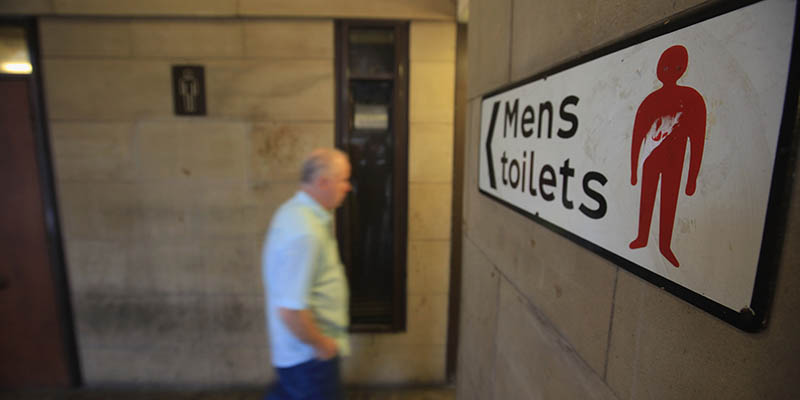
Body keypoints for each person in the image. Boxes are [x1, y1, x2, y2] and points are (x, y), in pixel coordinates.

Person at [262, 148, 352, 399]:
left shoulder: (294, 212)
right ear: (323, 182)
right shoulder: (305, 232)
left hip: (300, 357)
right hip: (309, 359)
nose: (347, 187)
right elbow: (290, 310)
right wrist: (321, 345)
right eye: (343, 180)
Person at [629, 45, 706, 268]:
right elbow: (636, 138)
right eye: (664, 66)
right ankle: (642, 237)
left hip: (675, 162)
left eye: (675, 66)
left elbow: (698, 141)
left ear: (682, 69)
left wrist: (692, 179)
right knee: (647, 198)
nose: (669, 71)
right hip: (650, 162)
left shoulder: (692, 100)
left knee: (669, 202)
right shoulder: (650, 101)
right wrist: (634, 170)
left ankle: (665, 246)